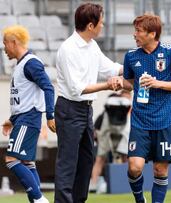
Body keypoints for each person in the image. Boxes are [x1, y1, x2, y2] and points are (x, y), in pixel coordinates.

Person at [54, 3, 125, 203]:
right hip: (69, 109)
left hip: (86, 111)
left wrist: (136, 66)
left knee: (85, 162)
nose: (103, 25)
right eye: (101, 22)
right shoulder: (68, 49)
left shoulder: (92, 46)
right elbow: (78, 88)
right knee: (67, 163)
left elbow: (110, 68)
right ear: (91, 25)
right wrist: (108, 86)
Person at [123, 14, 171, 203]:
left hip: (165, 120)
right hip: (140, 120)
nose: (134, 35)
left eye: (138, 31)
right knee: (134, 167)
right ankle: (139, 199)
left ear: (152, 34)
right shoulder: (131, 55)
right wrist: (118, 82)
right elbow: (130, 83)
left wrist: (157, 83)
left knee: (160, 169)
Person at [1, 25, 55, 203]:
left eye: (5, 44)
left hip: (29, 119)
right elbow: (23, 99)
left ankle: (39, 199)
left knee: (11, 159)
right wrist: (11, 120)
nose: (4, 48)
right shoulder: (21, 64)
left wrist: (50, 115)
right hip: (23, 119)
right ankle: (36, 200)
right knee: (27, 163)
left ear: (14, 42)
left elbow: (48, 87)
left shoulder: (31, 63)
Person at [89, 90, 132, 194]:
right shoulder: (109, 108)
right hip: (106, 135)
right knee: (100, 160)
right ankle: (93, 186)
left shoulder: (129, 110)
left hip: (123, 135)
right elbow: (96, 127)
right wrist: (97, 138)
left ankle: (128, 184)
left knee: (126, 159)